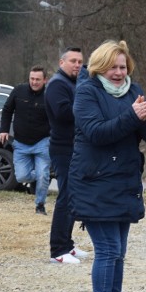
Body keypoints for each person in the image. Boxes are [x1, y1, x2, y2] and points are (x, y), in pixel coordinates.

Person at [69, 39, 146, 292]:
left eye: (123, 67)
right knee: (107, 250)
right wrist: (132, 116)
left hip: (123, 180)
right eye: (113, 68)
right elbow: (96, 132)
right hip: (95, 181)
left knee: (118, 251)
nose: (119, 72)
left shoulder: (132, 90)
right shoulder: (87, 92)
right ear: (99, 67)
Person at [45, 47, 88, 264]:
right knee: (66, 197)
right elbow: (63, 113)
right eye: (73, 61)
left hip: (75, 147)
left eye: (80, 61)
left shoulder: (73, 83)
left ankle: (67, 244)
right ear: (62, 62)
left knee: (73, 197)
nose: (77, 65)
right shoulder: (57, 84)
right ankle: (57, 250)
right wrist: (84, 106)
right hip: (63, 148)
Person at [0, 65, 51, 215]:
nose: (34, 82)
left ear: (45, 80)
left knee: (42, 174)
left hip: (43, 142)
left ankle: (40, 205)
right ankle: (42, 178)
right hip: (21, 143)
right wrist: (3, 130)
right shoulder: (18, 91)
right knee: (21, 176)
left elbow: (57, 117)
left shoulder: (49, 95)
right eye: (32, 79)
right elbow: (7, 110)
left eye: (38, 79)